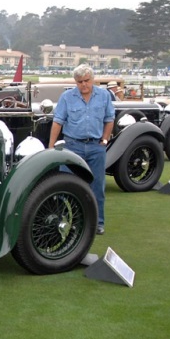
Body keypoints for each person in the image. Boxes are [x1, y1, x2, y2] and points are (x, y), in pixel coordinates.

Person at [48, 64, 115, 235]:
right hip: (72, 146)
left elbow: (109, 119)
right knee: (64, 185)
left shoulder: (104, 95)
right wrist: (50, 147)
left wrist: (105, 139)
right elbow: (58, 121)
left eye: (86, 81)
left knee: (97, 186)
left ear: (93, 79)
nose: (84, 84)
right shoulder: (66, 97)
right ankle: (60, 220)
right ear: (75, 82)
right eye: (80, 82)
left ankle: (98, 223)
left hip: (96, 146)